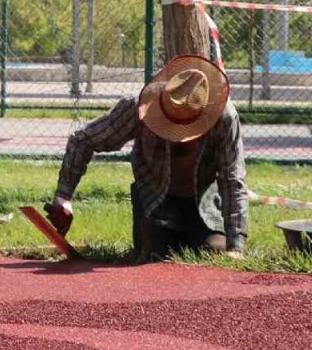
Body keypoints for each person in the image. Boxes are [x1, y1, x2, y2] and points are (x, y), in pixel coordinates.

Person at [44, 54, 248, 260]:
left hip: (204, 202)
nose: (179, 137)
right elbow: (83, 140)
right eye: (171, 126)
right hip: (155, 201)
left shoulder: (224, 118)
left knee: (215, 253)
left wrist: (236, 244)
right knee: (157, 258)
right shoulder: (136, 108)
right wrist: (63, 198)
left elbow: (233, 179)